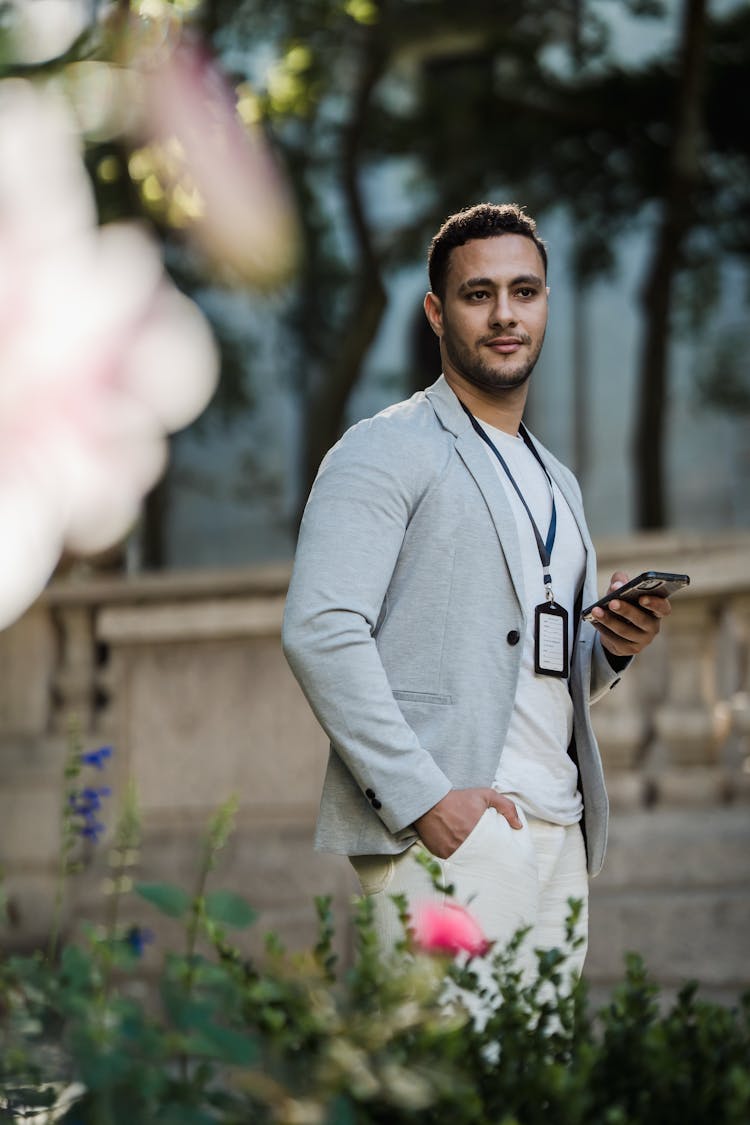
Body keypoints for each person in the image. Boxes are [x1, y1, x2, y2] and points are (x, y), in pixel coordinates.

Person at [282, 202, 671, 987]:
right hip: (453, 829)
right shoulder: (384, 447)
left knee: (535, 1089)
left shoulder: (557, 478)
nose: (505, 314)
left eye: (524, 292)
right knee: (454, 1086)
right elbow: (321, 629)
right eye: (478, 293)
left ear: (546, 305)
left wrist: (614, 646)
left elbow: (534, 663)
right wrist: (426, 800)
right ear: (436, 310)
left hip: (561, 825)